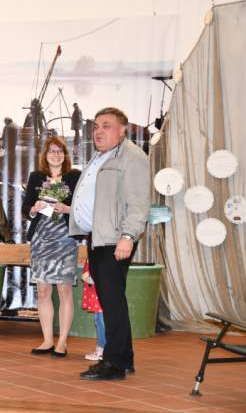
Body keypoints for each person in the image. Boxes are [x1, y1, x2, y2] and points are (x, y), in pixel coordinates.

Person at [69, 107, 150, 381]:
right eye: (96, 126)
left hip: (115, 240)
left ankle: (114, 364)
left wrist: (128, 237)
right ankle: (122, 358)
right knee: (110, 301)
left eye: (106, 125)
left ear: (123, 129)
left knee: (112, 303)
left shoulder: (132, 156)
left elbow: (138, 203)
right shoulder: (101, 156)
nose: (98, 131)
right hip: (98, 237)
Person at [23, 137, 81, 358]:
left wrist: (67, 209)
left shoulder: (75, 176)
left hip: (65, 238)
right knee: (43, 290)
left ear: (65, 155)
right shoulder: (36, 177)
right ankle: (47, 340)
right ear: (45, 155)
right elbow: (26, 208)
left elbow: (83, 206)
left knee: (64, 290)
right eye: (51, 151)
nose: (55, 155)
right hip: (41, 238)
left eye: (59, 151)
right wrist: (34, 208)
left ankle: (62, 342)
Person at [81, 258, 106, 361]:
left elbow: (102, 275)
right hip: (97, 293)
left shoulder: (101, 255)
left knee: (102, 322)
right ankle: (102, 348)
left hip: (102, 293)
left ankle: (104, 349)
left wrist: (88, 277)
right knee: (99, 321)